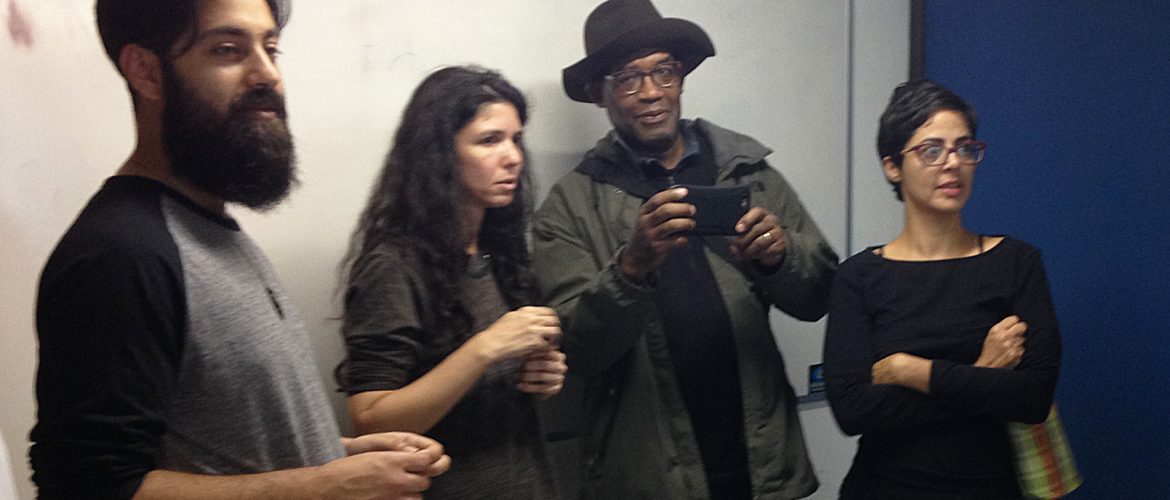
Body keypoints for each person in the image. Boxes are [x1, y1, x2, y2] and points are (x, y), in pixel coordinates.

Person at [29, 0, 450, 498]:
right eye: (228, 50)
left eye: (271, 48)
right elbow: (88, 485)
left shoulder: (213, 230)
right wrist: (323, 485)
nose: (267, 73)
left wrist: (340, 455)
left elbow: (219, 442)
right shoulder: (119, 254)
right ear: (146, 71)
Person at [532, 0, 839, 498]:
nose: (651, 92)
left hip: (758, 464)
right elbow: (578, 351)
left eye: (664, 71)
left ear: (681, 77)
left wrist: (779, 259)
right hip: (648, 477)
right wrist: (631, 269)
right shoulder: (568, 207)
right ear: (597, 93)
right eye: (627, 79)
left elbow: (819, 297)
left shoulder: (747, 171)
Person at [822, 80, 1061, 499]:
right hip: (884, 489)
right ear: (893, 166)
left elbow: (1032, 397)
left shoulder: (1015, 263)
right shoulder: (858, 277)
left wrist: (912, 371)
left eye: (964, 148)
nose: (953, 164)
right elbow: (853, 411)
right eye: (931, 150)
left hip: (990, 489)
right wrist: (982, 371)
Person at [336, 66, 567, 499]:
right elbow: (369, 420)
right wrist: (486, 348)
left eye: (516, 139)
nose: (513, 157)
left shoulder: (498, 250)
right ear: (439, 154)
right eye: (489, 140)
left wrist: (538, 374)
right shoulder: (394, 266)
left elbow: (487, 391)